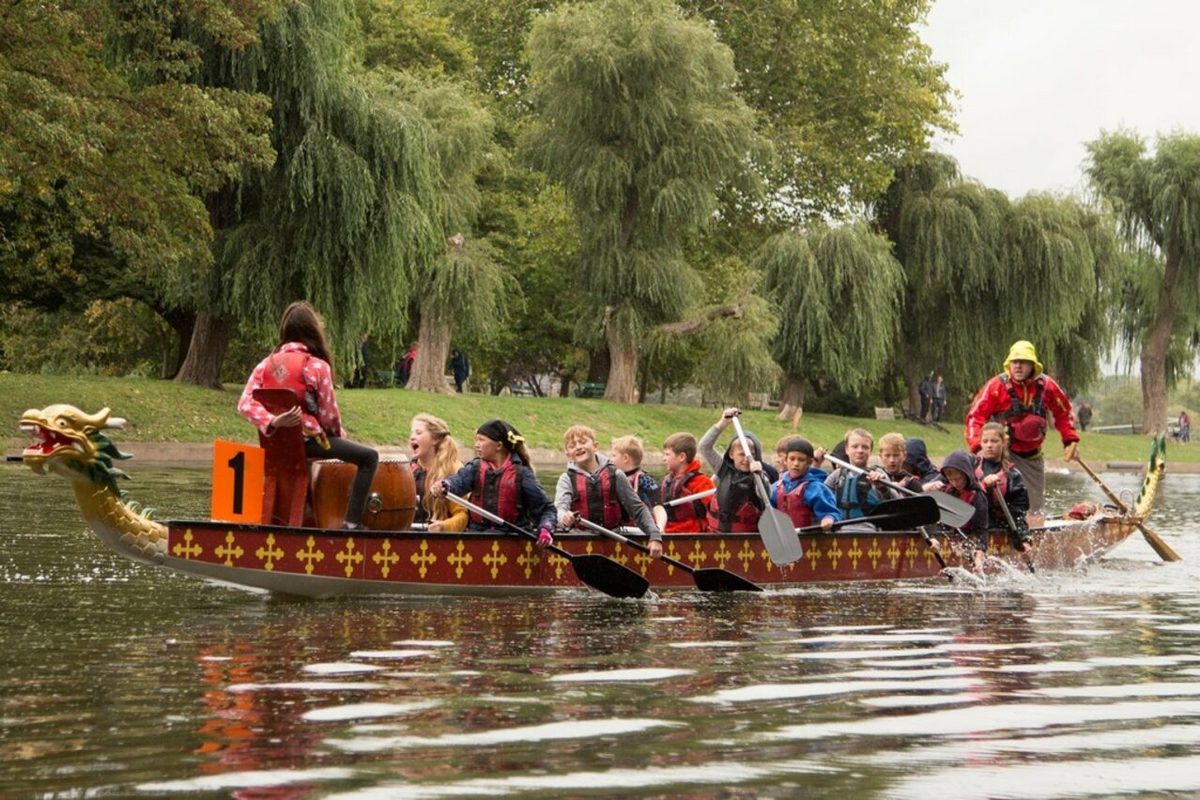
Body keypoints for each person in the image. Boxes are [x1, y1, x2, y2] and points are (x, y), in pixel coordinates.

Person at [237, 301, 379, 530]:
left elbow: (244, 403)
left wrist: (272, 421)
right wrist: (338, 435)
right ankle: (352, 524)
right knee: (369, 458)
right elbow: (329, 415)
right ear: (313, 330)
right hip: (308, 444)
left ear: (285, 331)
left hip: (274, 447)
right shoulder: (317, 366)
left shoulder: (265, 365)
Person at [964, 340, 1079, 515]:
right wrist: (977, 447)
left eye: (1023, 362)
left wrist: (1069, 440)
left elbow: (1064, 413)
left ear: (1033, 365)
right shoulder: (996, 386)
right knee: (995, 498)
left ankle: (1031, 533)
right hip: (1001, 453)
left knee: (1034, 508)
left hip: (1032, 456)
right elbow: (975, 416)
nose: (1018, 366)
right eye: (1014, 362)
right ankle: (988, 526)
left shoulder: (1047, 386)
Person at [430, 419, 557, 546]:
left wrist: (546, 529)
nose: (476, 444)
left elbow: (546, 509)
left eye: (481, 440)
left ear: (498, 446)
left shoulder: (522, 474)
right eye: (476, 440)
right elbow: (458, 481)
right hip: (478, 537)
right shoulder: (475, 468)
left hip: (513, 541)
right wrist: (445, 485)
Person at [554, 426, 662, 558]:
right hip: (580, 540)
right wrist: (564, 518)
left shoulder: (616, 475)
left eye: (583, 442)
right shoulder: (566, 479)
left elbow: (638, 509)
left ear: (595, 446)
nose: (578, 447)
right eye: (572, 445)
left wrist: (655, 535)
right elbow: (560, 510)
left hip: (614, 539)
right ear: (568, 454)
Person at [699, 407, 766, 533]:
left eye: (751, 455)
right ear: (731, 455)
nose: (746, 459)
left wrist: (760, 474)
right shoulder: (723, 470)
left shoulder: (758, 476)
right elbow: (704, 447)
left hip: (744, 538)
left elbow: (766, 495)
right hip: (715, 533)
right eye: (741, 454)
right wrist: (723, 422)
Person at [975, 422, 1031, 555]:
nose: (989, 445)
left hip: (998, 526)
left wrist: (1024, 538)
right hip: (971, 525)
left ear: (1004, 442)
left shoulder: (1013, 475)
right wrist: (982, 483)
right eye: (985, 441)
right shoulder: (969, 466)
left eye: (994, 441)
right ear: (980, 443)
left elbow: (1018, 513)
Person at [932, 450, 990, 573]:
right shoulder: (947, 491)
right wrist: (932, 537)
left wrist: (980, 553)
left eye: (957, 479)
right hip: (952, 535)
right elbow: (938, 521)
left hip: (969, 535)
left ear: (966, 474)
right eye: (950, 479)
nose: (954, 483)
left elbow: (981, 530)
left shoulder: (978, 497)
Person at [408, 413, 468, 532]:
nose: (412, 437)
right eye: (412, 433)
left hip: (441, 542)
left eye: (418, 433)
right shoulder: (407, 469)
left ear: (434, 439)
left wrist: (443, 526)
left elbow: (462, 515)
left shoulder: (454, 469)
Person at [771, 436, 841, 531]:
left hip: (808, 540)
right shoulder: (776, 487)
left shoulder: (815, 488)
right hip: (783, 538)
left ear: (809, 462)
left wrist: (828, 518)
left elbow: (830, 513)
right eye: (792, 459)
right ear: (785, 460)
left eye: (801, 460)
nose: (796, 464)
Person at [653, 432, 714, 534]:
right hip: (666, 530)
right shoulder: (667, 480)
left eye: (667, 454)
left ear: (681, 457)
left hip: (691, 534)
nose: (664, 458)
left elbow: (714, 512)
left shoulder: (702, 483)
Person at [823, 428, 884, 521]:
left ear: (870, 451)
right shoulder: (837, 475)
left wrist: (883, 487)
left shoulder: (878, 474)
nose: (860, 450)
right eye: (855, 446)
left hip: (869, 529)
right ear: (847, 449)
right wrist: (816, 464)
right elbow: (820, 496)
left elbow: (895, 502)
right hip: (839, 527)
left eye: (865, 447)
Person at [610, 435, 659, 515]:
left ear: (626, 458)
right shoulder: (611, 479)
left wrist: (659, 525)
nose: (610, 459)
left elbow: (657, 506)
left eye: (614, 455)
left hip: (640, 525)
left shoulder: (645, 480)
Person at [876, 432, 924, 497]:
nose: (892, 460)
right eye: (887, 456)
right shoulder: (874, 475)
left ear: (904, 456)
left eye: (896, 455)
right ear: (881, 456)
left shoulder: (913, 484)